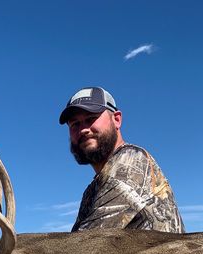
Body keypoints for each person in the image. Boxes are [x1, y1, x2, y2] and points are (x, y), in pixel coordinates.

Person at [59, 87, 185, 233]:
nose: (83, 129)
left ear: (117, 119)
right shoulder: (92, 189)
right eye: (75, 124)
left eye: (91, 119)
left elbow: (86, 243)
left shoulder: (130, 161)